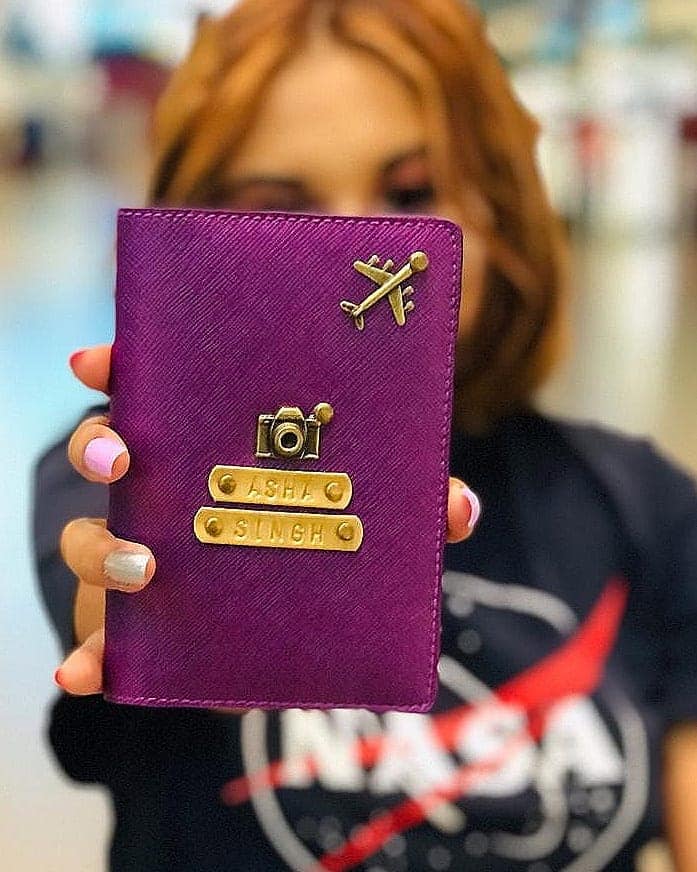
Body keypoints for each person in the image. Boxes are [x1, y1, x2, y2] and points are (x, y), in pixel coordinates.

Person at [32, 1, 697, 870]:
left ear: (500, 205)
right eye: (280, 209)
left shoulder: (645, 506)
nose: (356, 251)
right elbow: (96, 592)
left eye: (410, 193)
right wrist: (156, 603)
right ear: (199, 239)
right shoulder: (123, 464)